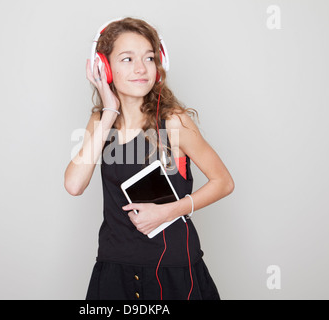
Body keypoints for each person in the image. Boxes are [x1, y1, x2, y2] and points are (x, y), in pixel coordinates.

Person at [64, 17, 234, 300]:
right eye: (127, 59)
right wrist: (109, 112)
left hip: (173, 269)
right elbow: (74, 185)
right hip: (114, 267)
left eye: (149, 58)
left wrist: (169, 211)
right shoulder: (101, 122)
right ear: (105, 69)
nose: (141, 68)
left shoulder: (173, 122)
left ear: (159, 65)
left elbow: (223, 182)